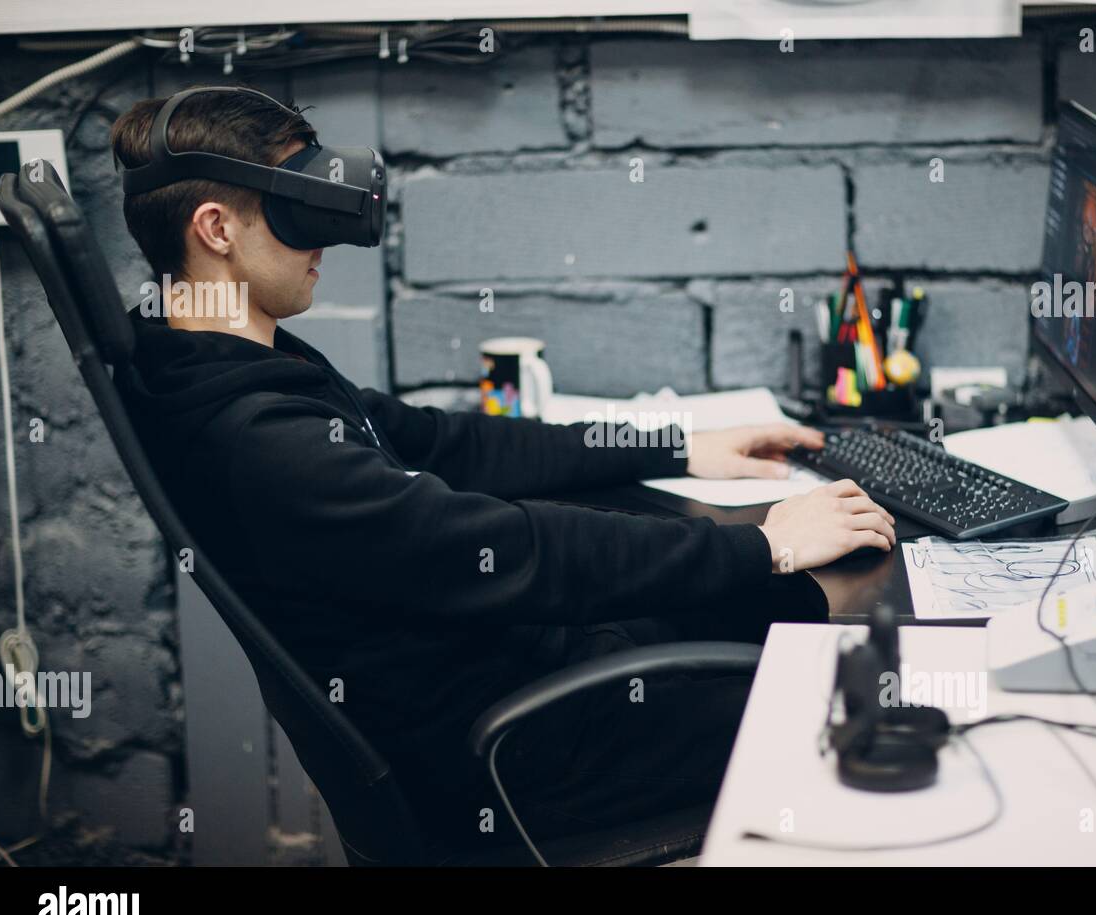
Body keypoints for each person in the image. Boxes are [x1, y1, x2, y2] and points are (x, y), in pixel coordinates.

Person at [108, 88, 896, 861]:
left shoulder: (227, 367)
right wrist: (765, 544)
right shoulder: (254, 437)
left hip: (528, 676)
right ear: (216, 229)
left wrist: (676, 446)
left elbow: (451, 444)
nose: (323, 241)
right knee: (848, 704)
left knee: (802, 609)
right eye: (297, 210)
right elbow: (504, 549)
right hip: (520, 756)